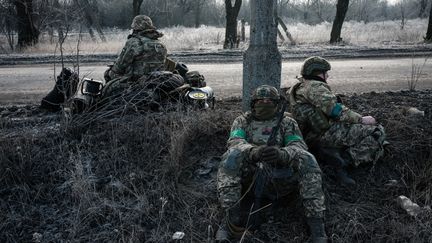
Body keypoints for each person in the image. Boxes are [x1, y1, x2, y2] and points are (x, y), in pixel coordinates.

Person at [216, 85, 327, 243]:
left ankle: (317, 227)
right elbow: (235, 142)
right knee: (231, 157)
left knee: (307, 159)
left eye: (269, 100)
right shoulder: (242, 121)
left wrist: (282, 154)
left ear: (277, 103)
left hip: (280, 176)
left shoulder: (287, 122)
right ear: (253, 103)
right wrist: (253, 152)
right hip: (251, 178)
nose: (265, 102)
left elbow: (297, 145)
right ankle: (229, 221)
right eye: (261, 100)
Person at [288, 56, 386, 186]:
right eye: (325, 73)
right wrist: (361, 119)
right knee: (377, 132)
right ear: (317, 73)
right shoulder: (315, 87)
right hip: (325, 134)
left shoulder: (299, 87)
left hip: (312, 133)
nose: (327, 76)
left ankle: (332, 153)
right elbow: (335, 110)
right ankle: (344, 162)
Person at [102, 15, 168, 99]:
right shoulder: (160, 44)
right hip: (155, 82)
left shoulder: (134, 42)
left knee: (108, 73)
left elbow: (120, 66)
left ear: (135, 28)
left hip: (135, 82)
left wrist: (111, 72)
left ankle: (106, 102)